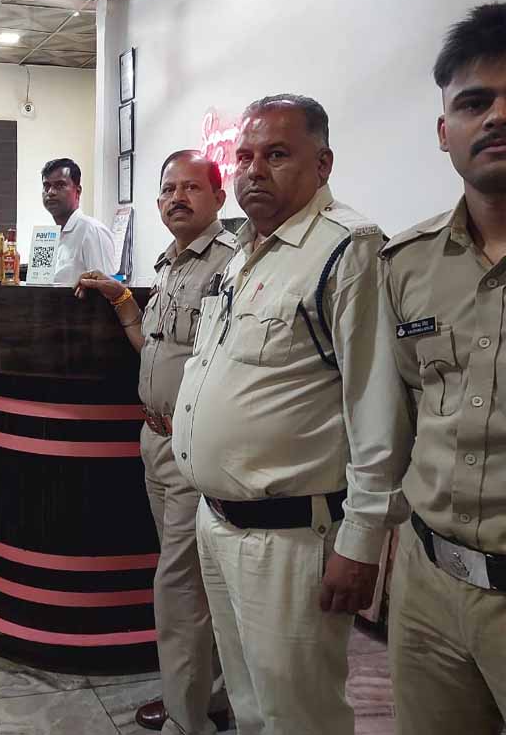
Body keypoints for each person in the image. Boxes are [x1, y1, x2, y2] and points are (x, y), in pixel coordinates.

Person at [171, 95, 411, 734]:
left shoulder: (348, 250)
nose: (254, 170)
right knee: (251, 707)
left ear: (322, 163)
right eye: (245, 156)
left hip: (288, 539)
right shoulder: (243, 251)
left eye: (276, 155)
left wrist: (361, 543)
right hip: (217, 522)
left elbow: (378, 409)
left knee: (299, 716)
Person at [77, 150, 234, 735]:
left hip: (194, 447)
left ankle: (185, 716)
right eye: (167, 189)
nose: (176, 198)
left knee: (179, 585)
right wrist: (121, 299)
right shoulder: (170, 263)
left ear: (219, 197)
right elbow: (155, 346)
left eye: (191, 187)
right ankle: (209, 697)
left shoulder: (231, 262)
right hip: (155, 438)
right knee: (190, 580)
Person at [382, 4, 506, 734]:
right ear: (444, 131)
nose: (496, 116)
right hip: (427, 585)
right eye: (474, 101)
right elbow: (406, 406)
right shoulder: (407, 265)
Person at [41, 157, 118, 285]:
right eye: (46, 186)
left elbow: (106, 289)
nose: (51, 192)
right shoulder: (48, 237)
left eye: (60, 185)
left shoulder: (92, 231)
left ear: (77, 191)